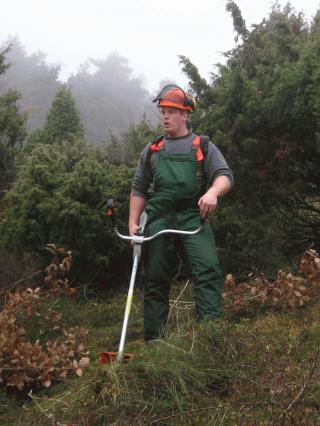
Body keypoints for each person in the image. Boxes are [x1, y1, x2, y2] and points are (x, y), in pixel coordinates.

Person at [129, 84, 233, 341]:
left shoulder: (202, 146)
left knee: (207, 270)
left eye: (171, 112)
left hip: (192, 216)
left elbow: (225, 176)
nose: (165, 116)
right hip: (159, 218)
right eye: (163, 111)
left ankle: (211, 338)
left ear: (185, 114)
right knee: (155, 279)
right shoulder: (152, 150)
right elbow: (139, 188)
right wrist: (133, 223)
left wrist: (212, 193)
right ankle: (155, 344)